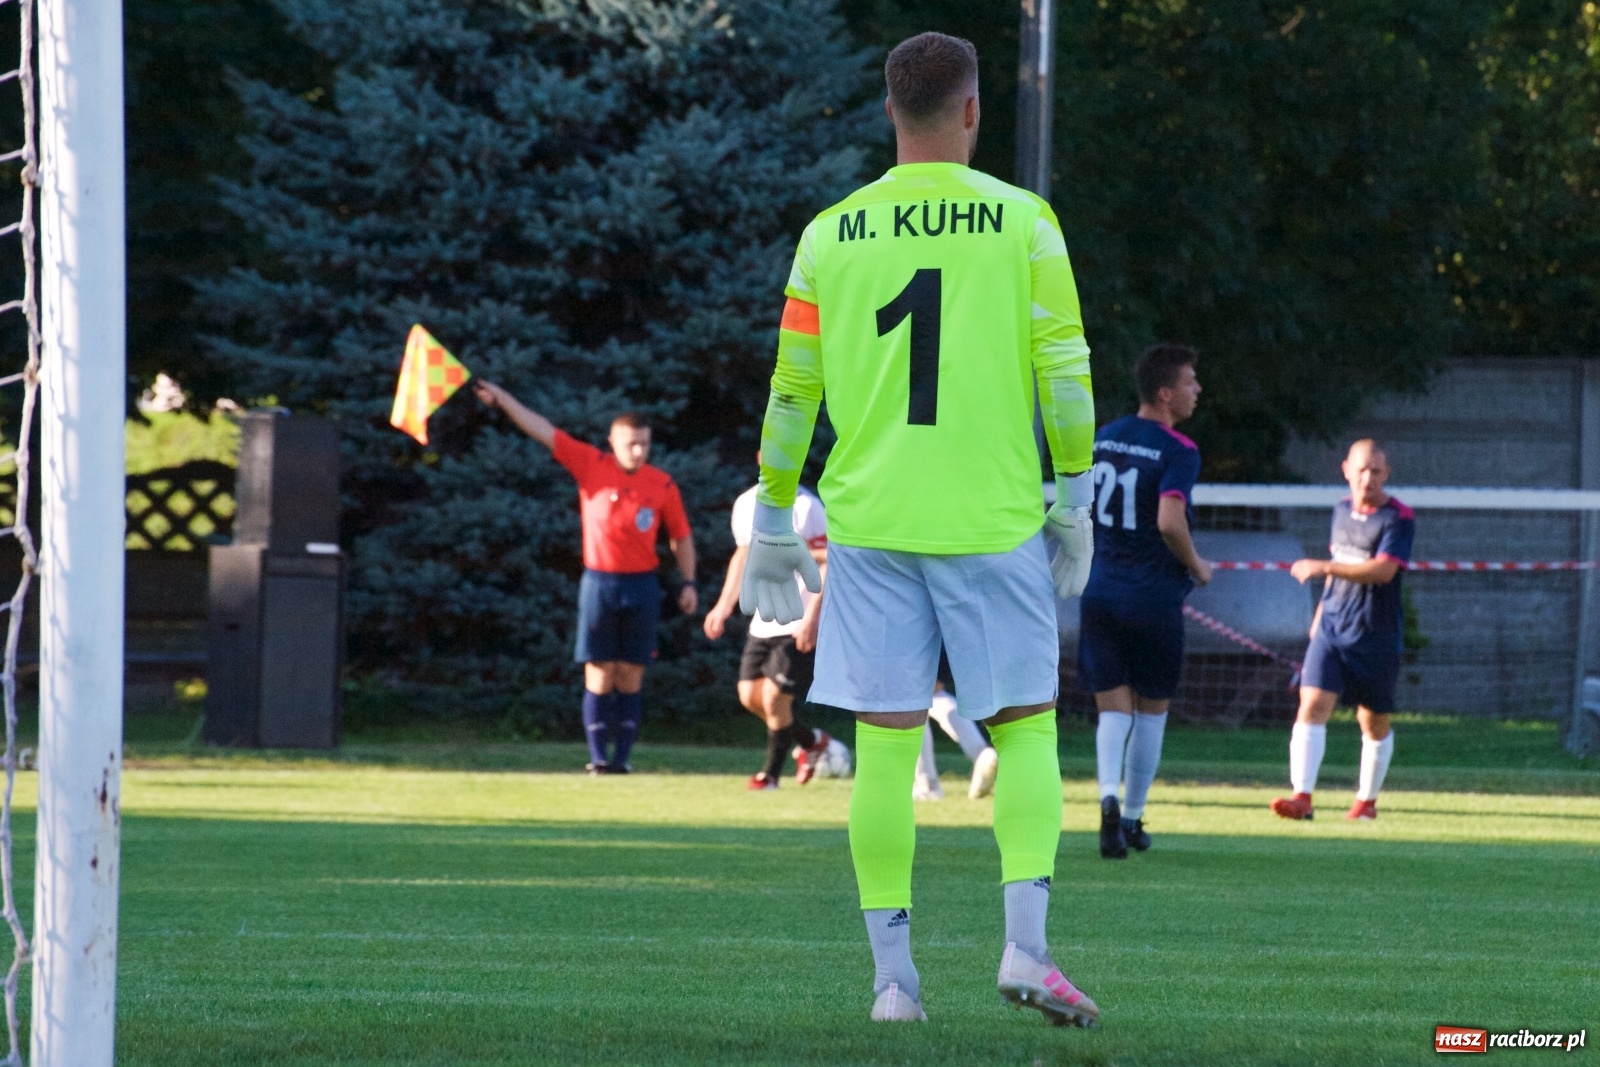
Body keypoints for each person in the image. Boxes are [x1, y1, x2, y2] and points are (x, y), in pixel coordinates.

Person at [738, 32, 1100, 1026]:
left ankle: (893, 983)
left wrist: (773, 513)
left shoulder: (828, 234)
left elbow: (791, 391)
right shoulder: (1023, 223)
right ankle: (1024, 949)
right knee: (1024, 727)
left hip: (871, 521)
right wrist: (1073, 497)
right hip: (988, 520)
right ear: (973, 110)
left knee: (887, 748)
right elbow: (1065, 376)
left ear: (888, 110)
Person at [473, 382, 697, 775]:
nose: (639, 451)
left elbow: (680, 536)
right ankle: (596, 759)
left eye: (645, 444)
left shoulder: (661, 484)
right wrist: (505, 399)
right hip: (600, 583)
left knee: (630, 673)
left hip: (642, 585)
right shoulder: (590, 464)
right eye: (631, 444)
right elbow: (541, 429)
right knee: (599, 670)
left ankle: (622, 761)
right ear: (613, 441)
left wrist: (689, 582)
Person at [1080, 344, 1212, 859]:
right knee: (1152, 711)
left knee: (1112, 709)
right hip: (1153, 596)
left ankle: (1107, 801)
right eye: (1190, 381)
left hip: (1101, 591)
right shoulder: (1178, 449)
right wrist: (1198, 566)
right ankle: (1132, 818)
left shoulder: (1104, 438)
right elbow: (1168, 521)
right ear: (1165, 392)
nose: (1197, 390)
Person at [1273, 439, 1413, 821]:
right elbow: (1340, 562)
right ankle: (1301, 798)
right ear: (1346, 469)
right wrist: (1320, 614)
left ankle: (1366, 803)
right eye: (1362, 469)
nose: (1368, 478)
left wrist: (1324, 568)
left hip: (1375, 634)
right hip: (1332, 628)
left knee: (1373, 719)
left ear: (1387, 475)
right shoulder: (1340, 510)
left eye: (1377, 471)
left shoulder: (1397, 518)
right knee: (1312, 705)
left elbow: (1384, 571)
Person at [703, 469, 834, 789]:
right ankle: (812, 742)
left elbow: (831, 559)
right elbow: (743, 555)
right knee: (750, 696)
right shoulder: (747, 503)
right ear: (761, 458)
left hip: (799, 618)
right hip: (764, 618)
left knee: (776, 698)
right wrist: (723, 605)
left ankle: (770, 777)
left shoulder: (808, 507)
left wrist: (813, 619)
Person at [912, 655, 998, 801]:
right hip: (939, 649)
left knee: (912, 705)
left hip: (903, 653)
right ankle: (981, 753)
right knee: (936, 696)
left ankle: (926, 783)